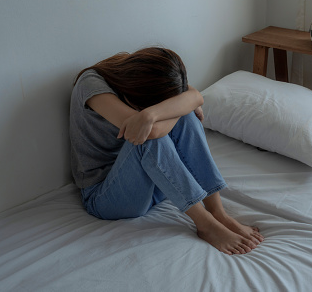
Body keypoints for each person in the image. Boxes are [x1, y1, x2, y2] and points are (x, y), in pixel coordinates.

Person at [70, 47, 264, 255]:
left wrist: (152, 113)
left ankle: (218, 212)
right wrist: (172, 110)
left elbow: (196, 97)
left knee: (186, 118)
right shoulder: (91, 84)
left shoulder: (147, 78)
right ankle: (205, 225)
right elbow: (151, 133)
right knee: (149, 137)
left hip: (154, 183)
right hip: (106, 197)